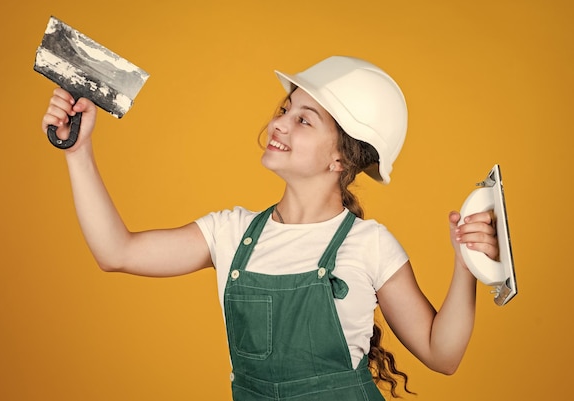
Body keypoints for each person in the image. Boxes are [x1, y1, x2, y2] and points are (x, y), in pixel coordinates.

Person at [41, 56, 498, 400]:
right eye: (285, 109)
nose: (278, 122)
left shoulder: (368, 244)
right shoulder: (230, 233)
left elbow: (443, 355)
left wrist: (467, 266)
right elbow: (116, 252)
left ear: (339, 158)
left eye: (303, 119)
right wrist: (78, 153)